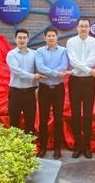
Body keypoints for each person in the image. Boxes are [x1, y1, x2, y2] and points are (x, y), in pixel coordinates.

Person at [66, 17, 95, 158]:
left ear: (90, 28)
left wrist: (82, 69)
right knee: (75, 114)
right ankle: (77, 145)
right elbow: (73, 61)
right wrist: (87, 69)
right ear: (77, 27)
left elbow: (91, 61)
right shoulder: (71, 42)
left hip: (88, 82)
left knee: (87, 114)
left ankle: (86, 146)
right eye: (81, 26)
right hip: (74, 81)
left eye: (86, 26)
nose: (84, 28)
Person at [34, 27, 69, 159]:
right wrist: (56, 74)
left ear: (57, 37)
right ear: (45, 38)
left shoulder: (63, 51)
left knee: (58, 119)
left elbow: (64, 67)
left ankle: (57, 148)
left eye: (53, 35)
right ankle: (42, 147)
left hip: (58, 89)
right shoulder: (39, 51)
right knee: (43, 119)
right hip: (44, 89)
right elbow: (40, 68)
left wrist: (50, 73)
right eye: (48, 36)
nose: (51, 38)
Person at [6, 28, 46, 134]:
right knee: (14, 122)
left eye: (24, 38)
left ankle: (29, 143)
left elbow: (38, 70)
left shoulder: (34, 54)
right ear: (15, 39)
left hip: (30, 93)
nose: (22, 40)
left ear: (28, 39)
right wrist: (33, 77)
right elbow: (17, 71)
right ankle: (15, 144)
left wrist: (37, 88)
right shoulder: (11, 54)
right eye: (19, 38)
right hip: (15, 93)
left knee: (30, 122)